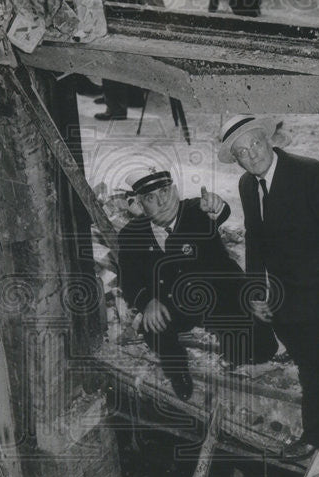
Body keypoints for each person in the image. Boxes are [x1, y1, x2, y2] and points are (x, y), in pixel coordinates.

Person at [219, 115, 319, 457]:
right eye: (242, 152)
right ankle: (303, 374)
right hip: (286, 287)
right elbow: (254, 240)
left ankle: (318, 436)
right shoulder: (247, 185)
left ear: (270, 140)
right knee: (298, 347)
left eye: (255, 144)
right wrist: (255, 291)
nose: (252, 156)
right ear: (236, 160)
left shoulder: (310, 173)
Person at [117, 168, 278, 400]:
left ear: (174, 190)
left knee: (260, 350)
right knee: (156, 329)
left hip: (213, 297)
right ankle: (178, 375)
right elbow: (129, 280)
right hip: (170, 305)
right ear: (141, 205)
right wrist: (146, 302)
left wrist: (249, 295)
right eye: (151, 198)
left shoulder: (195, 210)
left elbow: (219, 212)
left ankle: (240, 348)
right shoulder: (131, 235)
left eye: (164, 191)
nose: (162, 201)